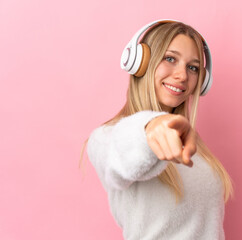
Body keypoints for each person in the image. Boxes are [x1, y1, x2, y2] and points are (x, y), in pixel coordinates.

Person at [82, 19, 233, 240]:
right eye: (170, 59)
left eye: (192, 67)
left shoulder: (191, 144)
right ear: (140, 62)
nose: (182, 75)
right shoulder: (105, 138)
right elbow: (122, 152)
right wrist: (151, 127)